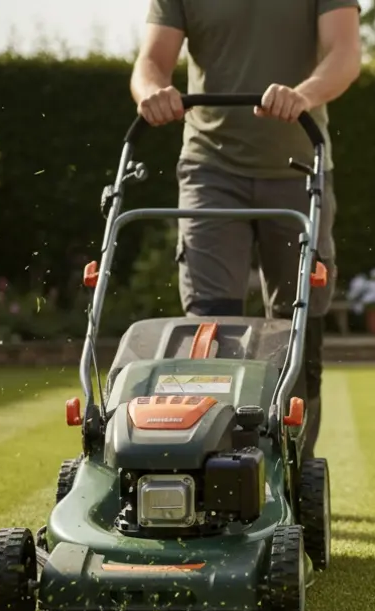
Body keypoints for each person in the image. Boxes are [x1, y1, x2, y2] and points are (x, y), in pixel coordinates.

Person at [130, 0, 362, 458]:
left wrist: (304, 95)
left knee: (299, 324)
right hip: (210, 168)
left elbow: (345, 53)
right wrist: (153, 92)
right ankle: (212, 466)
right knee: (210, 326)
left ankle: (293, 468)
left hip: (298, 168)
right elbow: (152, 61)